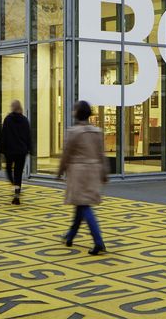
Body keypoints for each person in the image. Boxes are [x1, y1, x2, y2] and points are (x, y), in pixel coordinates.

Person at [58, 100, 108, 255]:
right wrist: (104, 171)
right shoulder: (97, 131)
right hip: (93, 171)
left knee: (84, 206)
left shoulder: (73, 132)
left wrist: (60, 171)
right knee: (81, 205)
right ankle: (70, 236)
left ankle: (98, 241)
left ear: (77, 113)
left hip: (78, 172)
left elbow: (67, 154)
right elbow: (102, 154)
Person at [0, 100, 32, 205]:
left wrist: (1, 149)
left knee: (9, 170)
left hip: (10, 151)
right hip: (22, 151)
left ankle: (14, 185)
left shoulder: (8, 120)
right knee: (18, 172)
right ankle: (17, 194)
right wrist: (30, 148)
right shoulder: (25, 120)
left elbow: (3, 136)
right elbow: (28, 136)